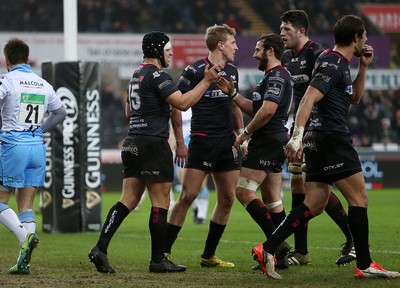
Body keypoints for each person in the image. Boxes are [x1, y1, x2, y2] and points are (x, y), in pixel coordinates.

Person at [251, 15, 400, 279]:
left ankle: (268, 248)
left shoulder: (338, 62)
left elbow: (353, 97)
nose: (366, 41)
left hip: (317, 139)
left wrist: (363, 67)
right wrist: (296, 136)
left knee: (315, 203)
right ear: (355, 38)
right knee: (359, 199)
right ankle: (364, 264)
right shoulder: (332, 62)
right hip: (331, 137)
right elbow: (308, 97)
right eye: (363, 37)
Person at [88, 31, 222, 274]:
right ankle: (158, 260)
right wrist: (206, 81)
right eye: (168, 49)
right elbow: (182, 103)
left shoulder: (135, 75)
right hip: (153, 143)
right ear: (158, 50)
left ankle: (100, 247)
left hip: (132, 142)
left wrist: (155, 107)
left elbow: (129, 112)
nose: (171, 53)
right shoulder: (158, 74)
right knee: (161, 202)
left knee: (127, 200)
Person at [279, 9, 355, 266]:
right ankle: (302, 251)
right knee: (299, 187)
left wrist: (303, 134)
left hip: (317, 130)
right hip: (300, 127)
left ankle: (352, 238)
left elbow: (321, 97)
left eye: (286, 29)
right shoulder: (288, 57)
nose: (282, 33)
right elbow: (298, 99)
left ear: (301, 31)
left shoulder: (318, 54)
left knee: (316, 191)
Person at [164, 24, 243, 268]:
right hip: (201, 141)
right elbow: (175, 104)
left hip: (227, 142)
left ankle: (209, 255)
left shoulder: (232, 70)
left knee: (228, 198)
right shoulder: (195, 70)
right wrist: (179, 141)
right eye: (232, 43)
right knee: (187, 196)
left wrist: (241, 134)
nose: (236, 47)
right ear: (220, 45)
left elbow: (235, 105)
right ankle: (163, 252)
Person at [217, 33, 293, 273]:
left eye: (258, 50)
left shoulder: (278, 76)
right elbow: (256, 108)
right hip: (272, 140)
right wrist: (232, 94)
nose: (253, 54)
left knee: (243, 192)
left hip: (267, 141)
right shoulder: (271, 76)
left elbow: (268, 110)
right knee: (273, 200)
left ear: (270, 51)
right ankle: (281, 257)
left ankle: (277, 245)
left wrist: (246, 133)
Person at [0, 37, 66, 274]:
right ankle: (23, 261)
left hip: (12, 147)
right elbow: (61, 112)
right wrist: (40, 130)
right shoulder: (43, 84)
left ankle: (23, 236)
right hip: (37, 148)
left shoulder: (6, 81)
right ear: (27, 59)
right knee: (25, 205)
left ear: (7, 60)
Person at [175, 108, 210, 225]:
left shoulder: (197, 104)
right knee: (182, 177)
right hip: (183, 143)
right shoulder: (178, 105)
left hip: (198, 140)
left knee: (202, 180)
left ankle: (201, 215)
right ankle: (196, 206)